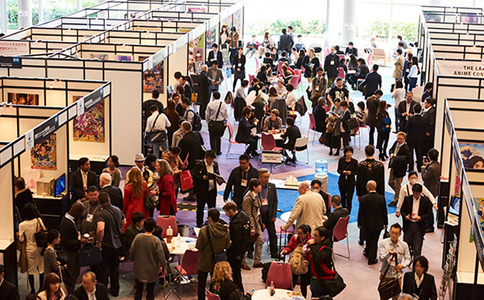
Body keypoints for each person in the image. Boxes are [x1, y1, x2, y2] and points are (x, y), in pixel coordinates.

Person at [94, 192, 126, 297]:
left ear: (99, 203)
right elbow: (124, 222)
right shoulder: (117, 210)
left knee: (103, 270)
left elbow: (100, 229)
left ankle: (102, 293)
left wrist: (99, 242)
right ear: (109, 200)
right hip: (117, 244)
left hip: (106, 245)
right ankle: (115, 289)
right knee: (114, 269)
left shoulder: (100, 213)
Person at [196, 208, 231, 300]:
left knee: (201, 285)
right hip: (218, 263)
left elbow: (199, 246)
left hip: (204, 261)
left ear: (210, 218)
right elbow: (227, 246)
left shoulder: (204, 230)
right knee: (216, 285)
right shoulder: (225, 230)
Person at [130, 217, 168, 300]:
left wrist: (132, 259)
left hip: (139, 268)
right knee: (150, 291)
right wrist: (164, 267)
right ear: (154, 228)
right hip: (151, 270)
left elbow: (132, 250)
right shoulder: (155, 240)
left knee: (138, 290)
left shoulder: (138, 237)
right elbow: (161, 256)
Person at [356, 145, 385, 245]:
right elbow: (381, 182)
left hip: (364, 194)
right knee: (376, 213)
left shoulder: (361, 165)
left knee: (364, 214)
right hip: (377, 194)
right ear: (374, 152)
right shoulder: (380, 165)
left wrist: (359, 194)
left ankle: (362, 237)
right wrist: (382, 195)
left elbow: (358, 181)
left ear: (365, 152)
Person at [378, 223, 412, 300]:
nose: (393, 235)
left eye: (396, 233)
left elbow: (408, 259)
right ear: (389, 232)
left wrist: (402, 265)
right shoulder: (383, 243)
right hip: (385, 275)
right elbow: (381, 258)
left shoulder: (404, 245)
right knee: (384, 296)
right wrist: (388, 254)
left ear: (400, 234)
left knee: (396, 297)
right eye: (392, 232)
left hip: (397, 276)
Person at [358, 181, 388, 265]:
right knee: (374, 240)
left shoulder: (363, 199)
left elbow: (361, 213)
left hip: (367, 223)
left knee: (368, 238)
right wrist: (386, 223)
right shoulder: (381, 198)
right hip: (378, 223)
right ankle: (372, 257)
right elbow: (384, 212)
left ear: (368, 187)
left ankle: (368, 253)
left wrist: (360, 223)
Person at [59, 202, 87, 293]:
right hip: (69, 255)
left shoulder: (70, 220)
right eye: (80, 212)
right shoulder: (66, 223)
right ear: (76, 211)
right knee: (71, 277)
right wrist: (80, 241)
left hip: (73, 253)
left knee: (75, 275)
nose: (81, 215)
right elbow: (64, 241)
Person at [223, 201, 251, 290]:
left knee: (235, 275)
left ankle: (238, 292)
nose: (225, 214)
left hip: (235, 252)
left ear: (231, 211)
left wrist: (228, 244)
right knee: (237, 274)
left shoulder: (235, 223)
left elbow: (236, 240)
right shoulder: (243, 215)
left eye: (226, 212)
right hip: (243, 249)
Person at [401, 184, 432, 258]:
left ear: (420, 193)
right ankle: (407, 262)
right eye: (414, 193)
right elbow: (403, 211)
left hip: (419, 226)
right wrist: (406, 216)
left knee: (417, 248)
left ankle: (415, 265)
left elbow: (429, 213)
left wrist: (420, 217)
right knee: (406, 246)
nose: (415, 195)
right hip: (408, 225)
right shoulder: (407, 199)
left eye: (417, 193)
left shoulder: (425, 201)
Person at [19, 203, 45, 294]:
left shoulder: (22, 225)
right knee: (41, 268)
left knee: (31, 270)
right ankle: (41, 288)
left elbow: (21, 239)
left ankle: (33, 290)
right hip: (40, 247)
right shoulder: (38, 220)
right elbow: (44, 230)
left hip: (30, 249)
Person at [281, 224, 313, 298]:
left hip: (305, 265)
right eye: (298, 233)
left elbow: (312, 255)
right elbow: (289, 247)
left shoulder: (311, 241)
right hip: (294, 264)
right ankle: (287, 297)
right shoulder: (294, 238)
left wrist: (306, 255)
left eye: (301, 233)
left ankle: (303, 298)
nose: (299, 235)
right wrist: (285, 251)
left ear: (306, 233)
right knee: (292, 282)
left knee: (303, 284)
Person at [193, 150, 221, 227]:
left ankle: (212, 224)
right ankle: (199, 223)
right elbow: (194, 175)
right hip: (202, 191)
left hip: (212, 190)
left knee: (212, 209)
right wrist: (202, 177)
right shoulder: (199, 165)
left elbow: (217, 174)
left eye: (212, 159)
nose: (211, 161)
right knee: (200, 208)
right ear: (206, 158)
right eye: (210, 159)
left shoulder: (215, 164)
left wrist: (219, 179)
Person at [242, 179, 265, 268]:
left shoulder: (256, 195)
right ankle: (242, 261)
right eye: (259, 185)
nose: (261, 187)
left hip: (256, 221)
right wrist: (252, 227)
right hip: (250, 223)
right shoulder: (248, 198)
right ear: (254, 187)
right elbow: (248, 214)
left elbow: (257, 212)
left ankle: (257, 261)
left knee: (260, 241)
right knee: (246, 243)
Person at [258, 169, 280, 259]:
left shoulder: (272, 186)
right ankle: (250, 251)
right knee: (255, 234)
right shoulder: (255, 186)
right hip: (258, 215)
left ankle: (274, 252)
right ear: (259, 177)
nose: (267, 179)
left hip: (269, 214)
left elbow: (275, 200)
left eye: (268, 177)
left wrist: (274, 214)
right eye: (265, 177)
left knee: (272, 234)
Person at [308, 226, 335, 298]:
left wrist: (312, 245)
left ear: (322, 237)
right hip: (316, 276)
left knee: (319, 296)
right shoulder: (319, 244)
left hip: (321, 279)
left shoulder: (327, 249)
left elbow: (318, 258)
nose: (313, 237)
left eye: (316, 235)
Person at [388, 132, 412, 207]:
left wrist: (396, 158)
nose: (399, 140)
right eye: (398, 138)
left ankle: (396, 199)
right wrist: (391, 154)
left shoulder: (406, 148)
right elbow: (391, 150)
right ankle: (400, 194)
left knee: (398, 185)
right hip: (393, 167)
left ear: (404, 139)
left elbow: (408, 159)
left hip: (400, 170)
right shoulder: (396, 143)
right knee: (390, 182)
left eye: (401, 139)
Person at [206, 91, 229, 156]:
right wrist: (225, 121)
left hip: (213, 123)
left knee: (212, 138)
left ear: (213, 97)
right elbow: (226, 114)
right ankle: (218, 150)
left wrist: (208, 122)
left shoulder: (210, 104)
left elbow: (207, 114)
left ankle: (213, 152)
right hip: (220, 123)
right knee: (218, 137)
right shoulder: (223, 104)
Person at [337, 146, 358, 214]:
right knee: (343, 198)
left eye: (350, 152)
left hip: (351, 182)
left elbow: (356, 172)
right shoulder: (341, 160)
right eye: (347, 152)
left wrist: (351, 173)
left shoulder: (355, 162)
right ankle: (343, 211)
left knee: (349, 199)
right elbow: (338, 170)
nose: (348, 154)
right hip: (342, 181)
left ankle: (348, 212)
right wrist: (343, 172)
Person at [406, 104, 425, 171]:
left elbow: (407, 128)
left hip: (410, 139)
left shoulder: (411, 119)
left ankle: (411, 168)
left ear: (413, 110)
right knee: (419, 153)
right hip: (419, 138)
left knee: (410, 154)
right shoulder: (423, 119)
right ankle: (419, 167)